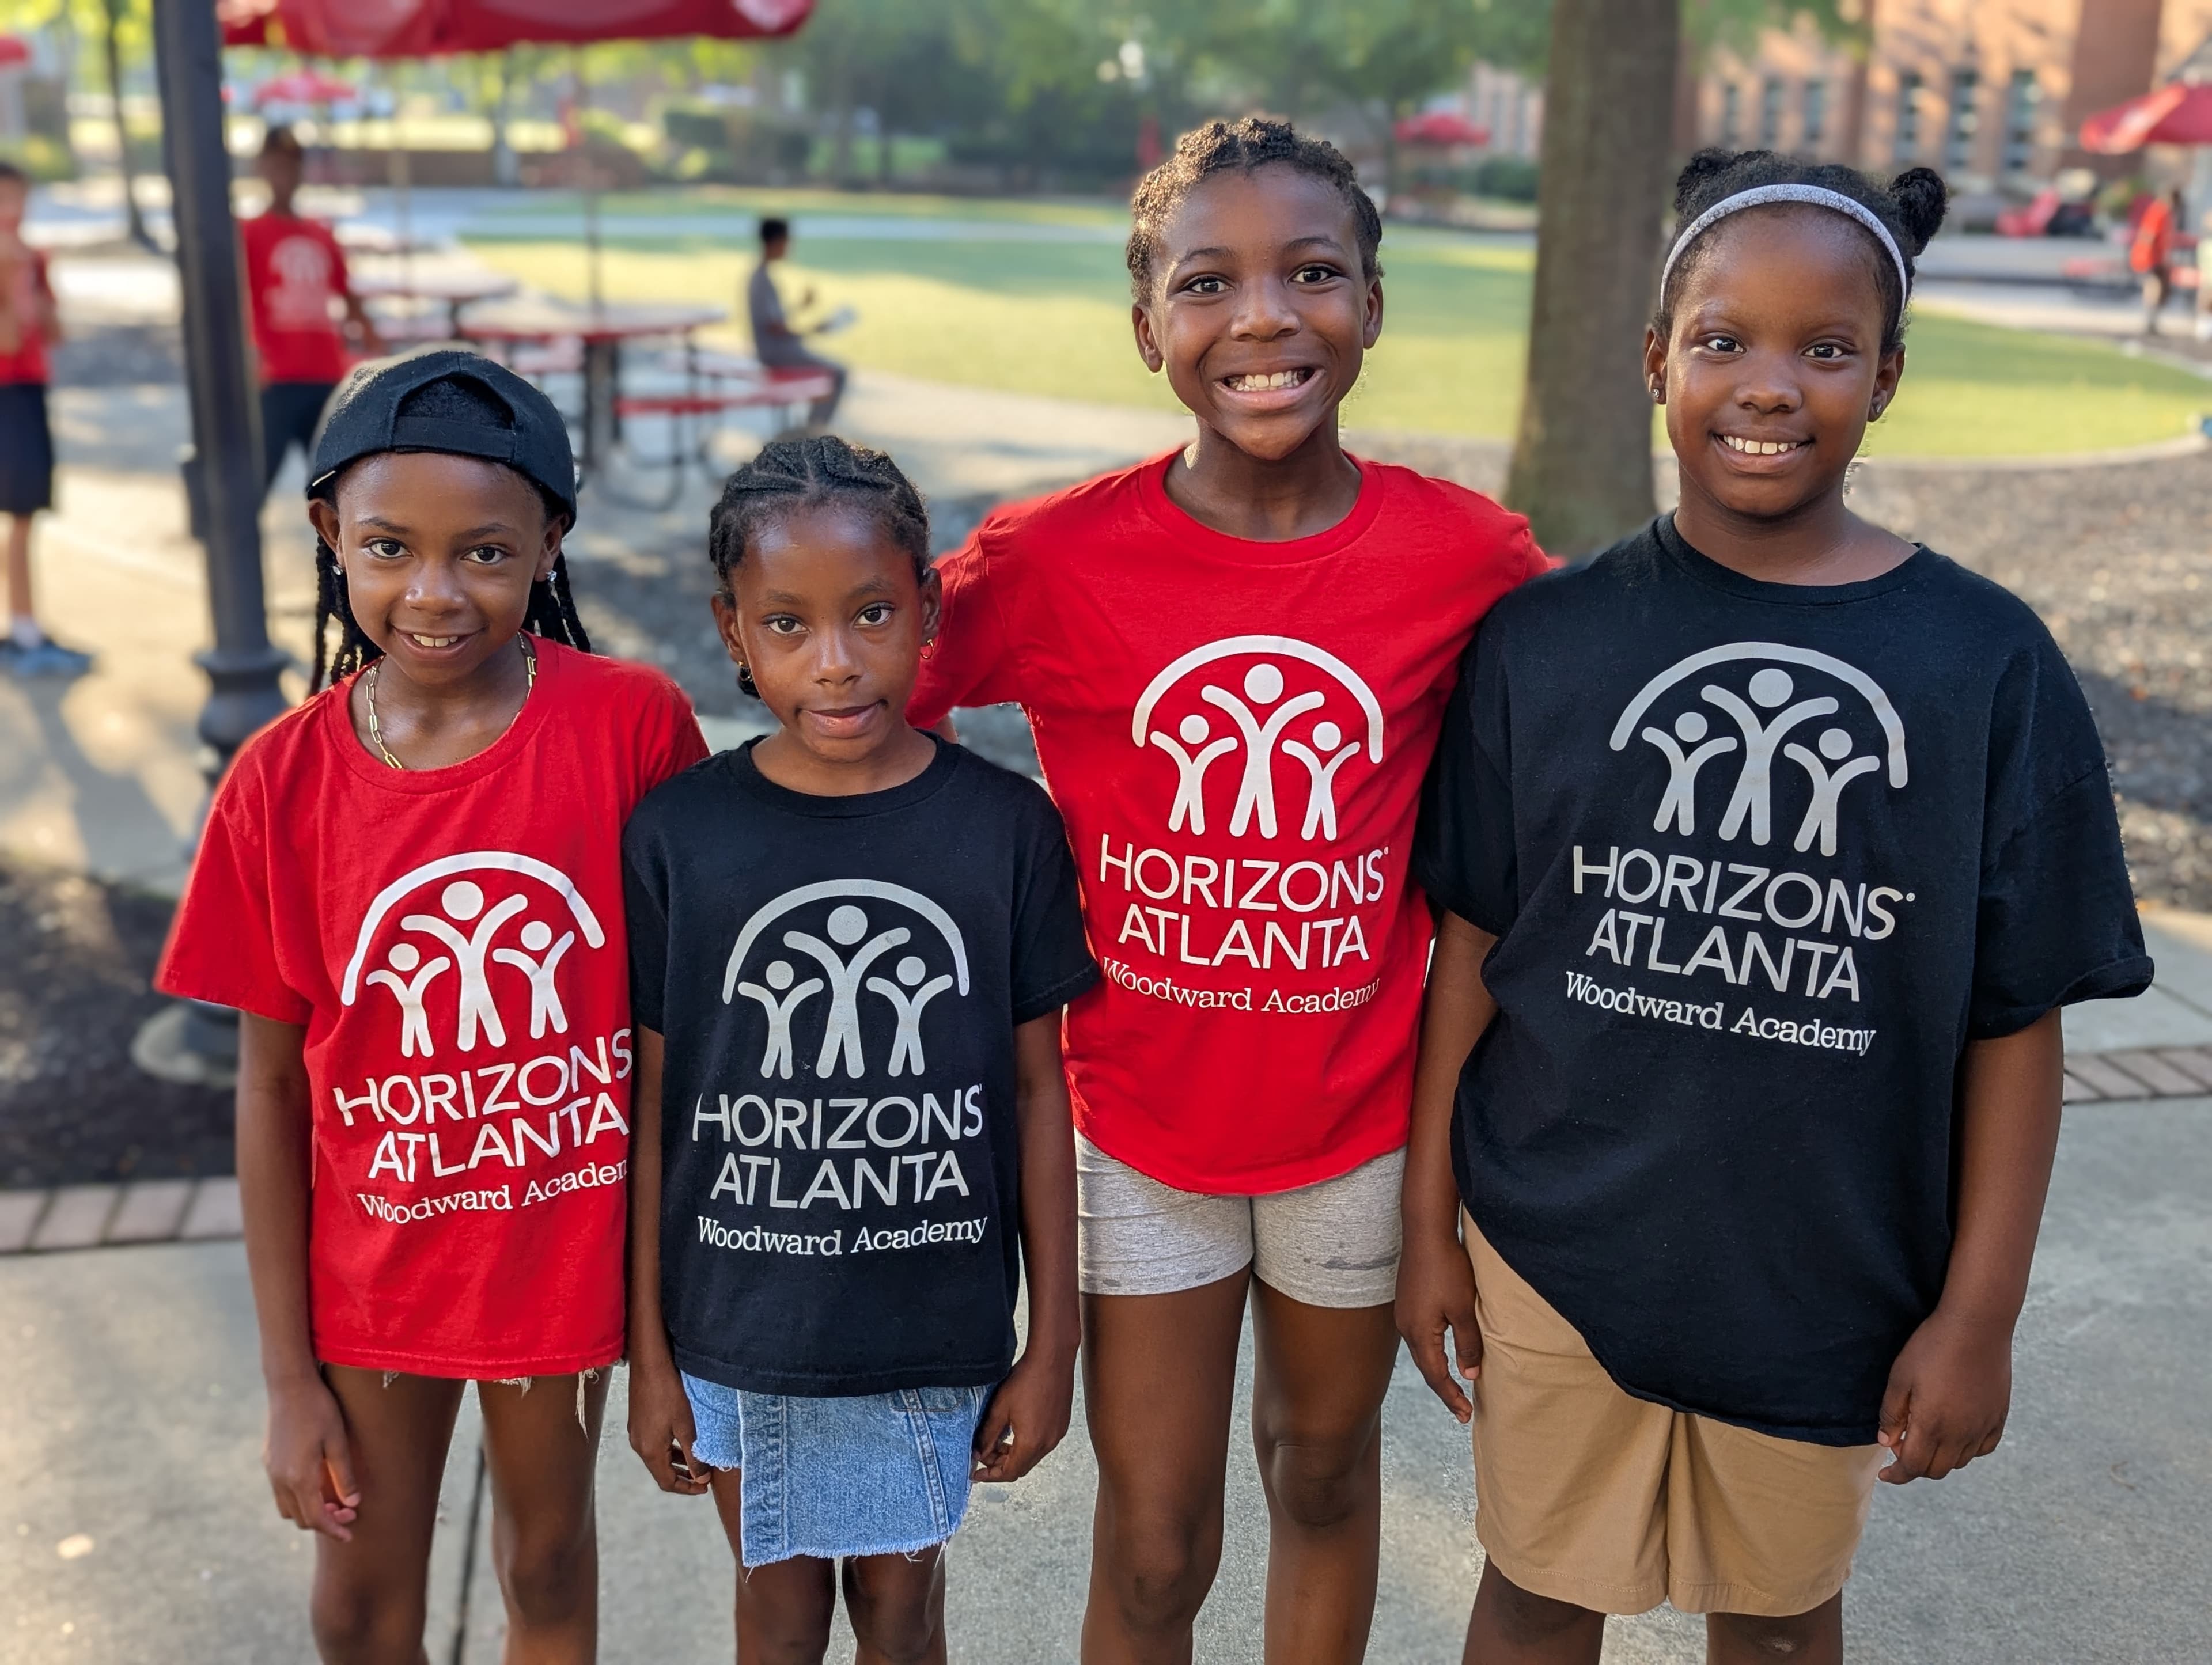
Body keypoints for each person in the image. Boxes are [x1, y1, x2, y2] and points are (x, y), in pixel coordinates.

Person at [1399, 149, 2153, 1665]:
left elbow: (2015, 1021)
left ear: (1886, 374)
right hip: (1558, 1237)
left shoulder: (1982, 665)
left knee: (1782, 1617)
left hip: (1830, 1264)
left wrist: (1980, 1314)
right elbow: (1473, 951)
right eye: (1725, 338)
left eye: (1826, 347)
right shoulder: (1543, 641)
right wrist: (1431, 1226)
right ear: (1656, 359)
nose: (1768, 383)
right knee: (1538, 1590)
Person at [908, 117, 1546, 1662]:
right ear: (1150, 329)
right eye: (1210, 283)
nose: (1264, 317)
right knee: (1151, 1537)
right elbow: (857, 708)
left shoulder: (1469, 559)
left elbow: (1574, 771)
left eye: (1312, 272)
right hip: (1141, 1133)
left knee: (1322, 1473)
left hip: (1356, 1127)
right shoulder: (1053, 560)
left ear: (1373, 307)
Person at [156, 349, 708, 1662]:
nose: (434, 592)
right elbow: (269, 1087)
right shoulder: (278, 782)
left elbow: (682, 1027)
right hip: (376, 1286)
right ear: (328, 534)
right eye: (391, 547)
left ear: (550, 543)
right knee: (355, 1607)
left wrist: (667, 1316)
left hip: (560, 1272)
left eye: (485, 554)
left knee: (548, 1567)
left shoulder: (629, 726)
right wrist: (289, 1381)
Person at [623, 435, 1094, 1663]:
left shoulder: (1004, 829)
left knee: (902, 1606)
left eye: (873, 612)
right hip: (739, 1322)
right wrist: (651, 1355)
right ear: (733, 631)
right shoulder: (682, 834)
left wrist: (1054, 1342)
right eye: (788, 624)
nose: (835, 661)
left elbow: (1043, 1091)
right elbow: (656, 1103)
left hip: (928, 1321)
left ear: (929, 604)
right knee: (775, 1612)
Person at [245, 126, 384, 495]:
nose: (283, 176)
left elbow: (348, 297)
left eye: (290, 167)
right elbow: (235, 301)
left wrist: (379, 352)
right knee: (256, 481)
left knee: (335, 488)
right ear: (262, 168)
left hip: (324, 376)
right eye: (275, 166)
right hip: (275, 378)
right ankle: (234, 551)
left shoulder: (320, 234)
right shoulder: (247, 233)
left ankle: (335, 555)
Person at [0, 159, 88, 677]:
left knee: (27, 511)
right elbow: (8, 339)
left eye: (20, 198)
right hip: (6, 391)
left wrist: (35, 278)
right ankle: (23, 628)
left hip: (30, 388)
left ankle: (26, 623)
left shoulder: (29, 257)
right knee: (19, 512)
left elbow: (55, 335)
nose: (14, 211)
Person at [747, 215, 846, 428]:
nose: (790, 247)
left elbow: (774, 318)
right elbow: (774, 328)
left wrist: (801, 305)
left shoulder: (762, 276)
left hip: (780, 349)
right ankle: (814, 432)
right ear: (777, 241)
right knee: (837, 373)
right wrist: (813, 329)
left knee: (834, 372)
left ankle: (813, 430)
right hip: (776, 353)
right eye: (788, 241)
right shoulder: (760, 280)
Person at [2130, 186, 2184, 337]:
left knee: (2160, 289)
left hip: (2155, 258)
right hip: (2151, 259)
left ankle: (2153, 321)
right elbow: (2149, 235)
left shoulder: (2163, 212)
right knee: (2154, 288)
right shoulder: (2159, 211)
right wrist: (2156, 257)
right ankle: (2150, 320)